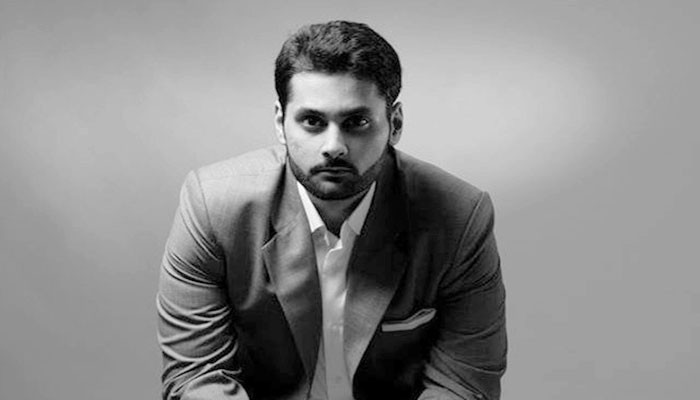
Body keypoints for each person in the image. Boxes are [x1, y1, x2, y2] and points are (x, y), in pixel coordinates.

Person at [157, 20, 506, 400]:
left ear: (395, 123)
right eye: (312, 122)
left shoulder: (459, 217)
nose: (333, 146)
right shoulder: (214, 208)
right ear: (280, 123)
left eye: (356, 122)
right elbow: (197, 377)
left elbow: (462, 385)